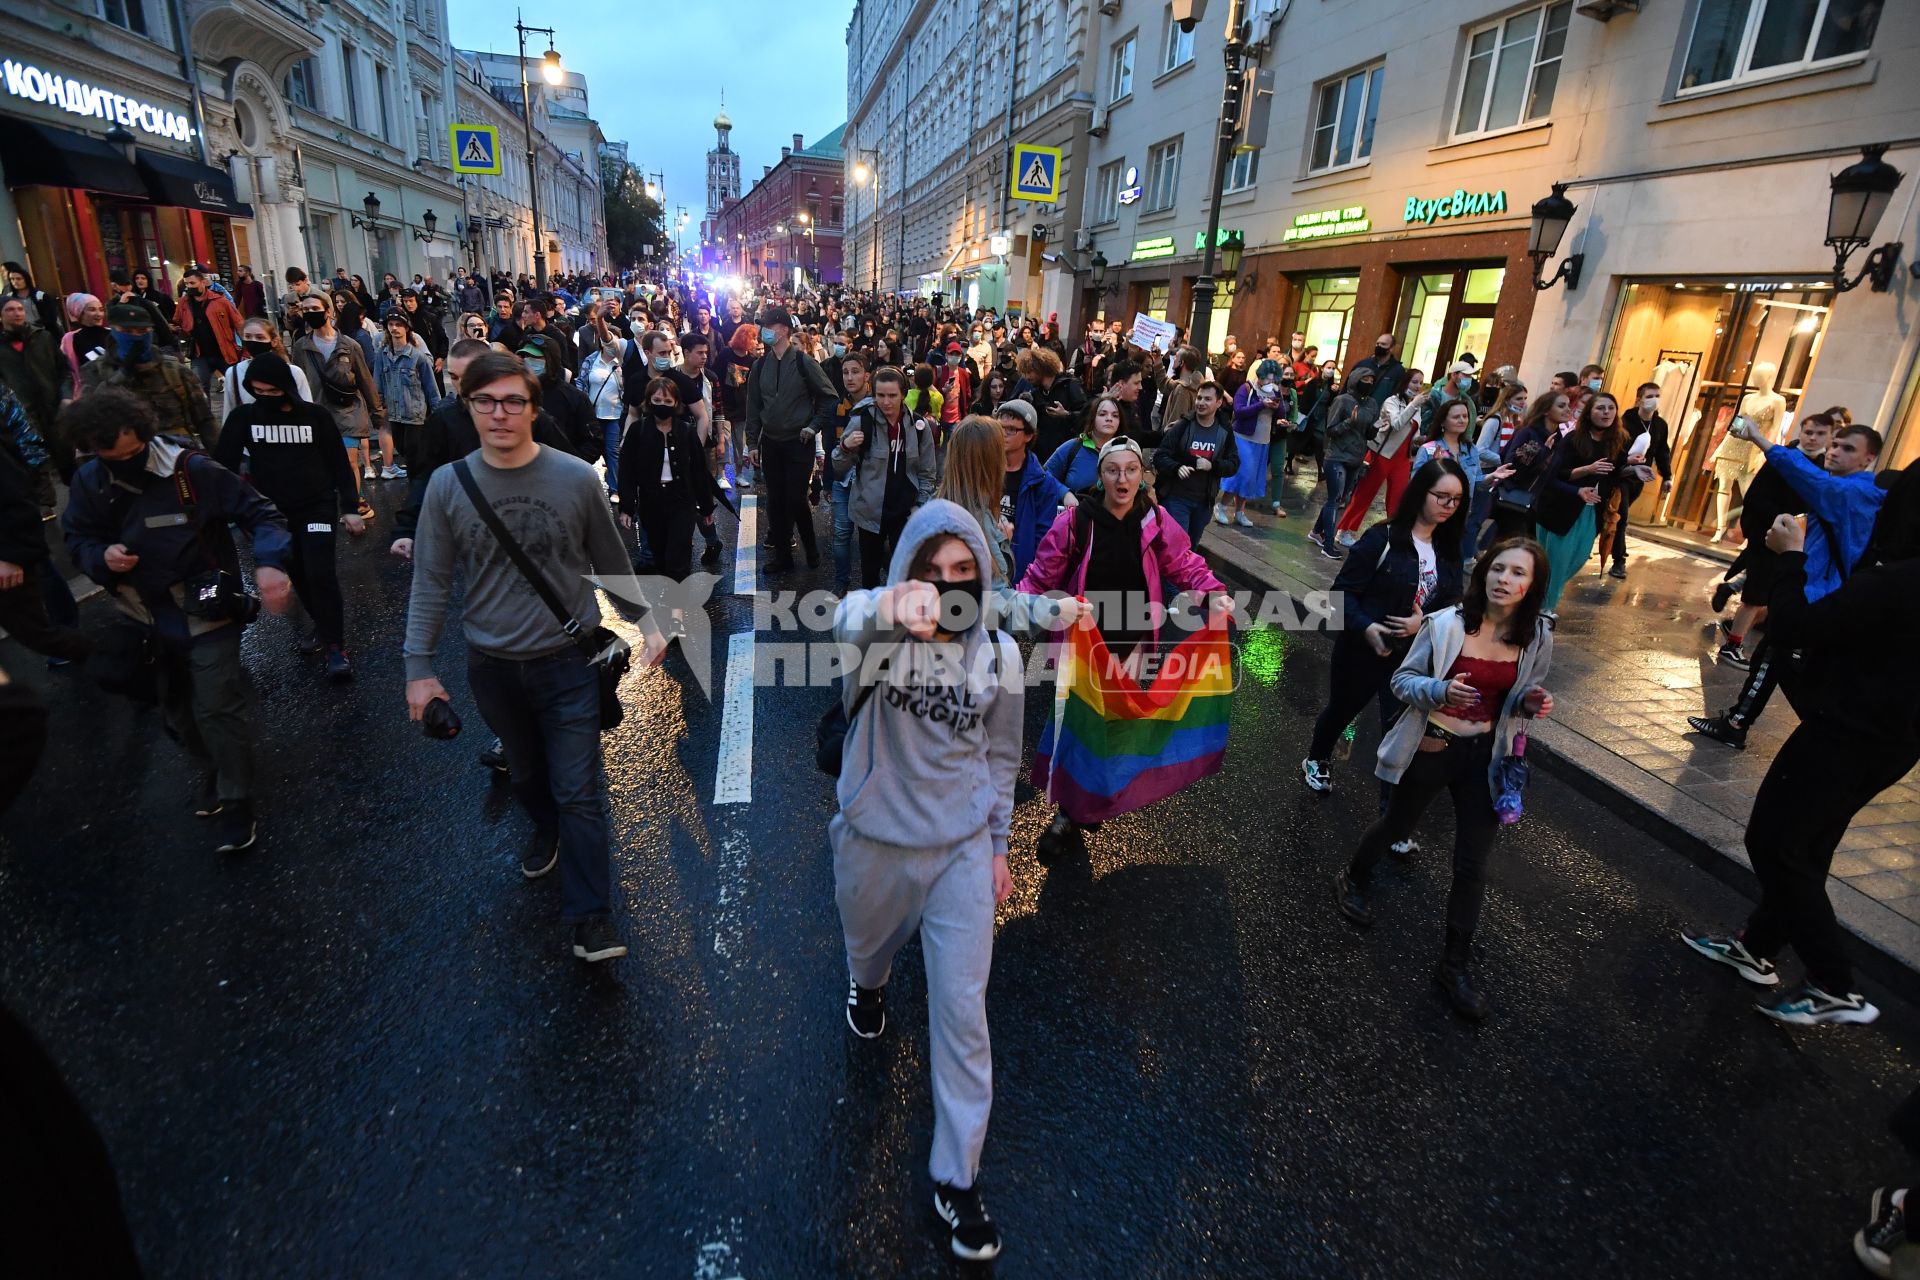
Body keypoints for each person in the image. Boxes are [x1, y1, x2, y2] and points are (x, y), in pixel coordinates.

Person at [403, 352, 659, 964]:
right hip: (492, 667)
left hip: (568, 660)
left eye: (513, 401)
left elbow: (609, 558)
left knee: (580, 790)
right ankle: (544, 826)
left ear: (532, 409)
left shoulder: (574, 478)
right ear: (467, 407)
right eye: (485, 402)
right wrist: (418, 668)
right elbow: (431, 581)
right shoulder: (448, 485)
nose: (499, 413)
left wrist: (648, 621)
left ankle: (592, 918)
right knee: (526, 777)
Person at [830, 500, 1021, 1263]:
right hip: (875, 839)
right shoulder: (879, 633)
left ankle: (958, 1177)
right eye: (931, 571)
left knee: (963, 1014)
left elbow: (1003, 758)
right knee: (867, 948)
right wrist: (887, 602)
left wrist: (1001, 846)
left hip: (963, 851)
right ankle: (866, 984)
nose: (946, 586)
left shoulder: (1000, 654)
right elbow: (842, 619)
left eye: (963, 572)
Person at [1681, 474, 1920, 1026]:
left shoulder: (1900, 581)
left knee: (1775, 843)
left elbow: (1795, 625)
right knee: (1808, 846)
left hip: (1845, 733)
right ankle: (1757, 947)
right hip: (1889, 740)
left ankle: (1834, 983)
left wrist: (1790, 557)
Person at [59, 388, 294, 853]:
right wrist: (100, 558)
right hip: (142, 617)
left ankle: (236, 799)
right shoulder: (89, 481)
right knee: (176, 713)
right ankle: (211, 765)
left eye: (133, 453)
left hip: (206, 612)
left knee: (216, 707)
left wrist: (270, 563)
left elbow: (262, 513)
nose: (124, 463)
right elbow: (77, 538)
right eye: (112, 457)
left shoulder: (192, 471)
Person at [1331, 537, 1555, 1022]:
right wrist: (1440, 690)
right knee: (1396, 825)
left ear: (1532, 585)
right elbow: (1402, 681)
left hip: (1487, 757)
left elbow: (1520, 696)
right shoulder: (1446, 624)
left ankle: (1454, 967)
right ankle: (1352, 877)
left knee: (1473, 865)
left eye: (1518, 573)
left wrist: (1529, 703)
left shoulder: (1536, 635)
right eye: (1498, 569)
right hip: (1435, 745)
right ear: (1484, 573)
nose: (1505, 580)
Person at [1017, 437, 1230, 861]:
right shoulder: (1076, 521)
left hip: (1133, 643)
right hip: (1083, 645)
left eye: (1131, 470)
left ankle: (1094, 795)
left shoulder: (1155, 520)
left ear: (1142, 475)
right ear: (1101, 475)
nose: (1122, 479)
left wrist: (1212, 592)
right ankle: (1067, 813)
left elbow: (1184, 562)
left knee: (1115, 725)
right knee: (1078, 729)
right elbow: (1041, 575)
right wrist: (1010, 612)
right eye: (1113, 470)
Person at [1688, 420, 1885, 749]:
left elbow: (1808, 478)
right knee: (1775, 656)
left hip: (1817, 595)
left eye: (1847, 448)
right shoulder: (1854, 490)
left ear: (1868, 459)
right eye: (1835, 444)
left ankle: (1821, 732)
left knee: (1783, 659)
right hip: (1820, 592)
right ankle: (1740, 722)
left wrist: (1758, 438)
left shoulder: (1850, 492)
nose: (1835, 451)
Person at [1301, 460, 1469, 799]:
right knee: (1341, 711)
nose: (1449, 507)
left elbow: (1453, 606)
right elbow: (1341, 594)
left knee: (1398, 730)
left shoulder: (1449, 550)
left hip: (1412, 660)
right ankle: (1317, 758)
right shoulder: (1383, 538)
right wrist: (1367, 628)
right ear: (1421, 493)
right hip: (1363, 652)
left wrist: (1420, 624)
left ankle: (1390, 815)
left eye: (1457, 500)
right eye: (1442, 497)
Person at [212, 354, 364, 678]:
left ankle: (336, 647)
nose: (266, 398)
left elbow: (339, 462)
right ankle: (323, 625)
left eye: (272, 391)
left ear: (285, 387)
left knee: (320, 572)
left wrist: (350, 507)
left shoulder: (315, 417)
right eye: (259, 392)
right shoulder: (243, 418)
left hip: (317, 506)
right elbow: (221, 465)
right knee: (301, 574)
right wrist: (229, 506)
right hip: (271, 515)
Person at [0, 385, 91, 664]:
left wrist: (11, 555)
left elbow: (12, 487)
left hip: (13, 538)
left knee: (39, 632)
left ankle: (124, 660)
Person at [1533, 392, 1643, 621]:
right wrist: (1585, 473)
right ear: (1589, 413)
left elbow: (1615, 473)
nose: (1606, 413)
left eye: (1610, 408)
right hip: (1560, 510)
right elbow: (1552, 476)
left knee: (1579, 558)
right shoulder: (1573, 439)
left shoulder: (1619, 441)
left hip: (1592, 510)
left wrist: (1634, 469)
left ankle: (1535, 597)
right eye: (1600, 408)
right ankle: (1544, 610)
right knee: (1557, 562)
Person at [748, 305, 838, 573]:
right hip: (771, 444)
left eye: (769, 325)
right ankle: (783, 557)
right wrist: (752, 443)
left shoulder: (803, 362)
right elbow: (753, 407)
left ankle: (811, 548)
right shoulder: (759, 364)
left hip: (799, 443)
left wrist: (813, 427)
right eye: (762, 325)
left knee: (796, 497)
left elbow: (829, 397)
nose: (764, 330)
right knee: (775, 500)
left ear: (784, 329)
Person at [832, 365, 938, 587]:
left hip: (905, 512)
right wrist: (845, 447)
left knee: (903, 572)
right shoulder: (862, 421)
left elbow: (927, 472)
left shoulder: (919, 427)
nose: (886, 402)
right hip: (870, 512)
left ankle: (898, 616)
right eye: (880, 395)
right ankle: (872, 616)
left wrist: (920, 504)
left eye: (892, 396)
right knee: (870, 574)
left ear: (903, 395)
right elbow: (838, 466)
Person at [617, 375, 726, 584]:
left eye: (668, 401)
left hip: (682, 501)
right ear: (649, 402)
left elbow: (698, 471)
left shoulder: (686, 431)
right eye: (657, 401)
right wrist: (627, 507)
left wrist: (705, 508)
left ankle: (676, 610)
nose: (662, 405)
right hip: (651, 503)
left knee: (678, 557)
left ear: (676, 403)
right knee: (660, 557)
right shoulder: (637, 431)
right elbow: (627, 471)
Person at [288, 293, 386, 518]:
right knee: (327, 462)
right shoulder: (301, 347)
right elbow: (296, 380)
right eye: (306, 309)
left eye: (315, 308)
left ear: (329, 311)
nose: (311, 313)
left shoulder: (349, 345)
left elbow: (365, 380)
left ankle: (354, 504)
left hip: (348, 411)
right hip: (318, 412)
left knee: (349, 458)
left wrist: (377, 413)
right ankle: (348, 495)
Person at [1411, 398, 1512, 566]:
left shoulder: (1470, 448)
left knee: (1447, 551)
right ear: (1443, 421)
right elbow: (1415, 482)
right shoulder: (1429, 448)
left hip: (1461, 509)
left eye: (1465, 416)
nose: (1462, 420)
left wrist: (1493, 475)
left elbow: (1477, 480)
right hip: (1433, 508)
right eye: (1456, 417)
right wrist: (1434, 469)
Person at [1335, 369, 1426, 542]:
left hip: (1402, 458)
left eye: (1421, 383)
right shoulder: (1392, 402)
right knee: (1364, 495)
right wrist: (1413, 405)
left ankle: (1395, 535)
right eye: (1414, 382)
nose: (1418, 386)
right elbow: (1397, 424)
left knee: (1399, 500)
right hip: (1382, 454)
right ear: (1405, 382)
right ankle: (1344, 530)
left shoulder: (1416, 404)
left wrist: (1422, 439)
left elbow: (1414, 432)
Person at [1152, 380, 1240, 548]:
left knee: (1191, 548)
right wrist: (1176, 467)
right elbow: (1161, 455)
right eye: (1199, 398)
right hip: (1176, 498)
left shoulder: (1224, 430)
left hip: (1204, 502)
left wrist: (1212, 466)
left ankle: (1183, 575)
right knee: (1178, 546)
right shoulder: (1183, 425)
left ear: (1219, 402)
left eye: (1207, 399)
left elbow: (1234, 464)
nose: (1201, 403)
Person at [994, 399, 1071, 584]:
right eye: (999, 427)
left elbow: (1043, 541)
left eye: (1011, 429)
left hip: (1019, 575)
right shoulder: (983, 470)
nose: (1003, 434)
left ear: (1028, 435)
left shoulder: (1042, 484)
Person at [1604, 381, 1673, 580]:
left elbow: (1662, 452)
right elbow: (1615, 449)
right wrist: (1626, 461)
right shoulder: (1625, 421)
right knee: (1621, 516)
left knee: (1614, 517)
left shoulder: (1660, 425)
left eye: (1657, 396)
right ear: (1639, 399)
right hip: (1621, 475)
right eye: (1649, 396)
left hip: (1639, 478)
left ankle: (1608, 544)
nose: (1654, 400)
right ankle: (1619, 561)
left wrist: (1666, 476)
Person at [1309, 373, 1378, 559]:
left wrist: (1376, 428)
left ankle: (1316, 531)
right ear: (1355, 381)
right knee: (1334, 498)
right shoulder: (1342, 400)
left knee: (1339, 498)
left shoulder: (1372, 403)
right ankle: (1328, 543)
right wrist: (1349, 422)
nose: (1369, 384)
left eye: (1372, 381)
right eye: (1365, 380)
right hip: (1336, 456)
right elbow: (1331, 430)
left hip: (1356, 458)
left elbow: (1370, 433)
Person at [372, 310, 441, 481]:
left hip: (414, 413)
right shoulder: (383, 354)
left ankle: (416, 488)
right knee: (402, 449)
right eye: (391, 325)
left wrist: (438, 413)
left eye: (398, 325)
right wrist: (377, 407)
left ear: (407, 328)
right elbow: (378, 381)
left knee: (413, 455)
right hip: (395, 413)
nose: (394, 328)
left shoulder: (418, 357)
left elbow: (431, 388)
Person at [1219, 360, 1289, 526]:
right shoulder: (1247, 388)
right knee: (1241, 474)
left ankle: (1239, 512)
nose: (1270, 383)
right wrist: (1261, 404)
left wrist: (1277, 402)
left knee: (1250, 478)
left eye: (1273, 380)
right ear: (1260, 376)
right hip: (1243, 438)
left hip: (1263, 440)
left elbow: (1281, 412)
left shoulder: (1274, 391)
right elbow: (1239, 411)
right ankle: (1221, 506)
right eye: (1268, 380)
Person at [171, 266, 245, 407]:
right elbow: (177, 321)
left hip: (225, 352)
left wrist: (245, 348)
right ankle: (207, 423)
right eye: (186, 284)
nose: (189, 287)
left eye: (192, 283)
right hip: (200, 354)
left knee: (237, 387)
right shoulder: (184, 303)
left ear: (203, 282)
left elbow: (238, 323)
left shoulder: (220, 300)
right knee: (200, 391)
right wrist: (177, 329)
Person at [0, 297, 61, 446]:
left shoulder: (43, 337)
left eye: (20, 309)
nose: (17, 313)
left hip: (53, 408)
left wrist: (65, 397)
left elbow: (63, 369)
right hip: (22, 415)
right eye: (10, 309)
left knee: (66, 457)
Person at [1014, 346, 1088, 462]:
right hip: (1041, 454)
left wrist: (1067, 414)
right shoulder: (1036, 393)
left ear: (1041, 368)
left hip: (1066, 452)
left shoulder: (1069, 384)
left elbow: (1087, 415)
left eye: (1029, 371)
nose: (1027, 377)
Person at [1045, 394, 1127, 494]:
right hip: (1075, 508)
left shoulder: (1126, 452)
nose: (1109, 419)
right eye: (1102, 414)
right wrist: (1064, 493)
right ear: (1092, 419)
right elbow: (1043, 476)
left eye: (1115, 416)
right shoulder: (1072, 447)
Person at [4, 263, 62, 334]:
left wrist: (34, 325)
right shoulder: (9, 298)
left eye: (19, 279)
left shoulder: (41, 296)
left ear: (26, 279)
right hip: (21, 334)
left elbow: (51, 317)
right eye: (12, 279)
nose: (15, 282)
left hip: (43, 332)